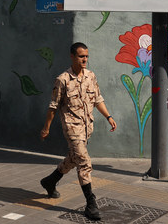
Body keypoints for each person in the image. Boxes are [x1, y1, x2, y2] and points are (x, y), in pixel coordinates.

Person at [40, 42, 117, 221]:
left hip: (86, 126)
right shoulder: (63, 80)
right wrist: (46, 127)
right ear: (72, 57)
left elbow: (98, 99)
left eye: (86, 56)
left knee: (74, 158)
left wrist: (108, 116)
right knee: (84, 162)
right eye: (81, 56)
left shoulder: (91, 76)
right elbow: (53, 106)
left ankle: (50, 181)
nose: (85, 59)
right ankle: (91, 203)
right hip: (72, 127)